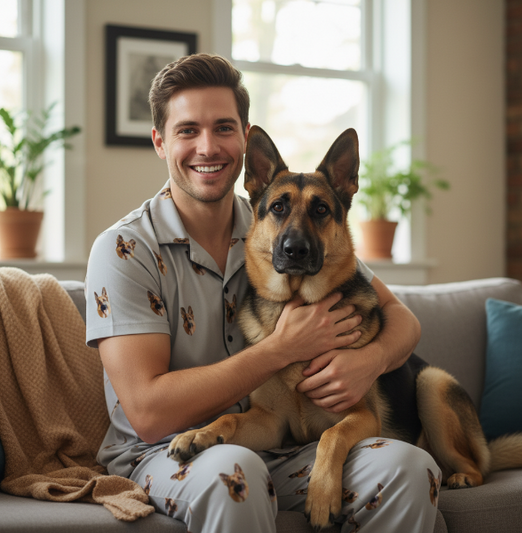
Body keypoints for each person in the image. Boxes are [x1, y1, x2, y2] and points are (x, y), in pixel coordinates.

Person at [86, 53, 440, 532]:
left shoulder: (276, 226)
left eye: (224, 128)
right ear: (160, 141)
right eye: (188, 130)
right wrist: (282, 349)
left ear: (245, 142)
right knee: (237, 472)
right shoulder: (124, 250)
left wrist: (368, 362)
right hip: (162, 454)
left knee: (409, 467)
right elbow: (149, 415)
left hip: (283, 446)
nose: (207, 146)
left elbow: (403, 320)